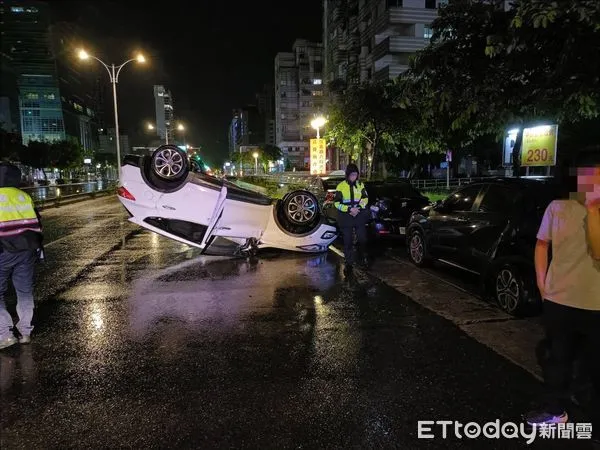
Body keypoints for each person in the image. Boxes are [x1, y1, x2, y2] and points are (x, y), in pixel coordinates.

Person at [525, 148, 600, 437]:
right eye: (587, 178)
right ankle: (556, 411)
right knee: (557, 359)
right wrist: (543, 286)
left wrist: (593, 210)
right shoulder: (558, 208)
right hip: (559, 301)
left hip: (595, 305)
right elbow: (542, 244)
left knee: (595, 367)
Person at [0, 162, 44, 350]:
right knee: (24, 292)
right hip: (27, 250)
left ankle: (5, 335)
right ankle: (25, 332)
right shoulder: (24, 196)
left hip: (2, 250)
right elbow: (37, 222)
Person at [333, 163, 370, 273]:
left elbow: (365, 198)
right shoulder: (341, 186)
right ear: (347, 175)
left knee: (362, 238)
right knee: (348, 241)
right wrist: (349, 209)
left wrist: (358, 207)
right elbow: (337, 203)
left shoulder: (360, 185)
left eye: (356, 175)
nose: (354, 177)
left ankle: (362, 258)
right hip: (346, 217)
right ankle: (349, 263)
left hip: (358, 215)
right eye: (352, 175)